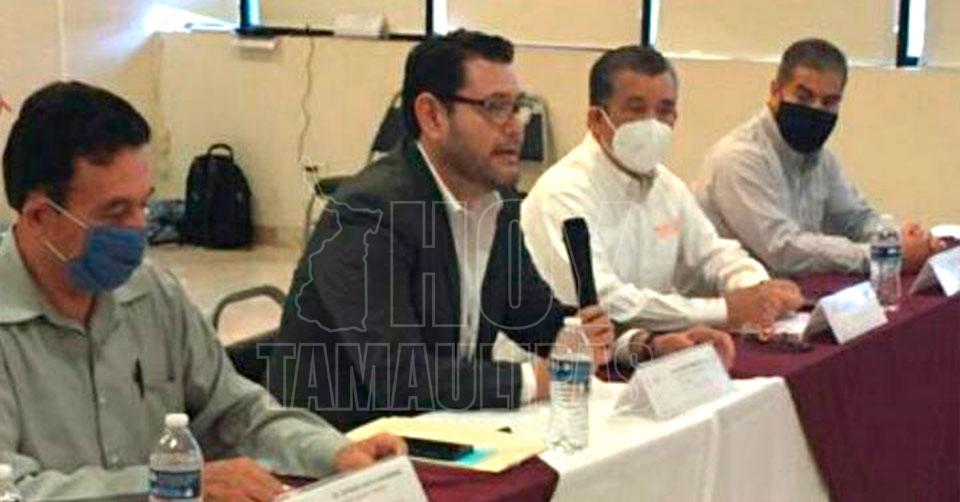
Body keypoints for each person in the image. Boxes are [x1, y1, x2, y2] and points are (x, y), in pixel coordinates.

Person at [0, 81, 405, 501]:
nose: (139, 228)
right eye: (115, 212)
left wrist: (333, 452)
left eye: (144, 205)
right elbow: (10, 491)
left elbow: (235, 413)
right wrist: (173, 484)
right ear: (40, 216)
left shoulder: (151, 292)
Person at [521, 45, 800, 361]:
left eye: (664, 111)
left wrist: (758, 290)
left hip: (641, 351)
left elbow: (713, 254)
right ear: (596, 119)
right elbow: (603, 300)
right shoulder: (563, 193)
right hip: (555, 369)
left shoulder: (666, 185)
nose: (652, 124)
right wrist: (723, 310)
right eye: (636, 109)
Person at [696, 38, 943, 276]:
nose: (816, 109)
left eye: (829, 102)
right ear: (775, 91)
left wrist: (898, 238)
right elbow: (783, 249)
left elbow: (855, 220)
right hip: (728, 300)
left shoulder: (820, 159)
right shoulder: (739, 158)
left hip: (788, 294)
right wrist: (882, 254)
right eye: (803, 97)